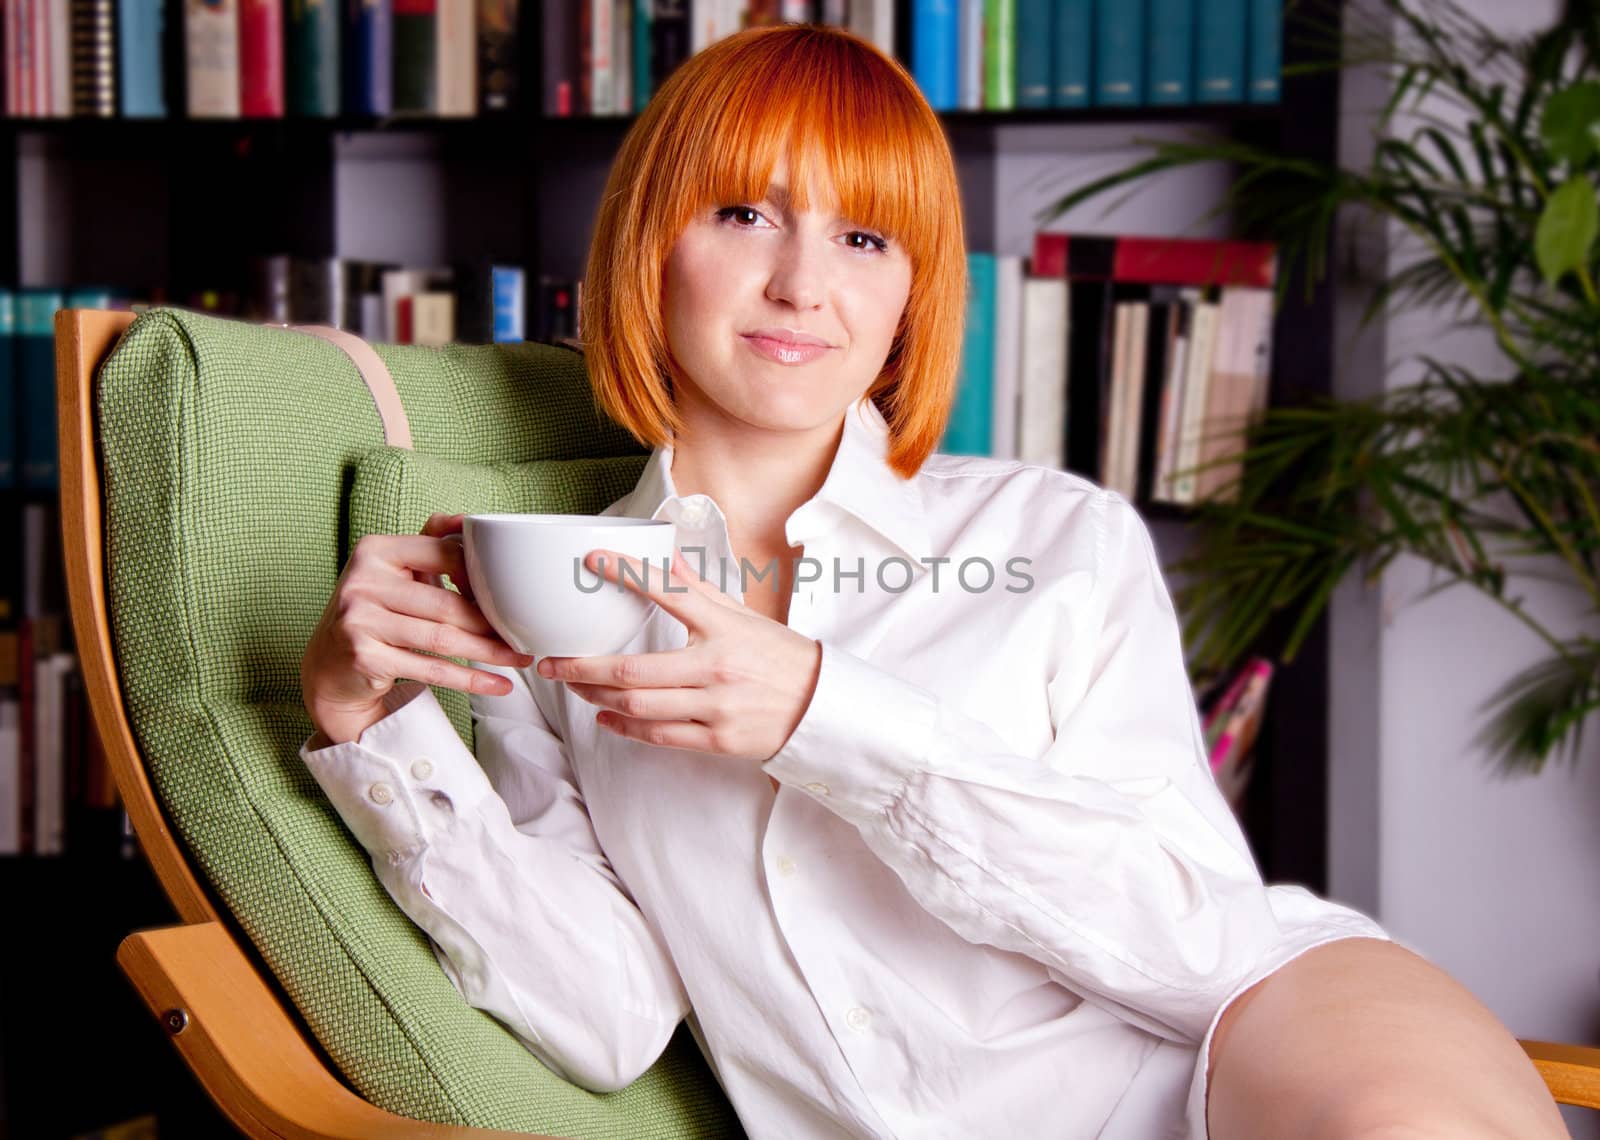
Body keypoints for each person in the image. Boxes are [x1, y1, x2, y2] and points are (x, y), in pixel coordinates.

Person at [297, 23, 1569, 1140]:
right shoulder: (556, 603)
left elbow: (1200, 952)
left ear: (911, 290)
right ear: (649, 242)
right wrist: (378, 729)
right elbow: (609, 1018)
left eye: (863, 236)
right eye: (744, 213)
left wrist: (826, 717)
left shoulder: (1056, 540)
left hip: (1236, 1053)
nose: (802, 283)